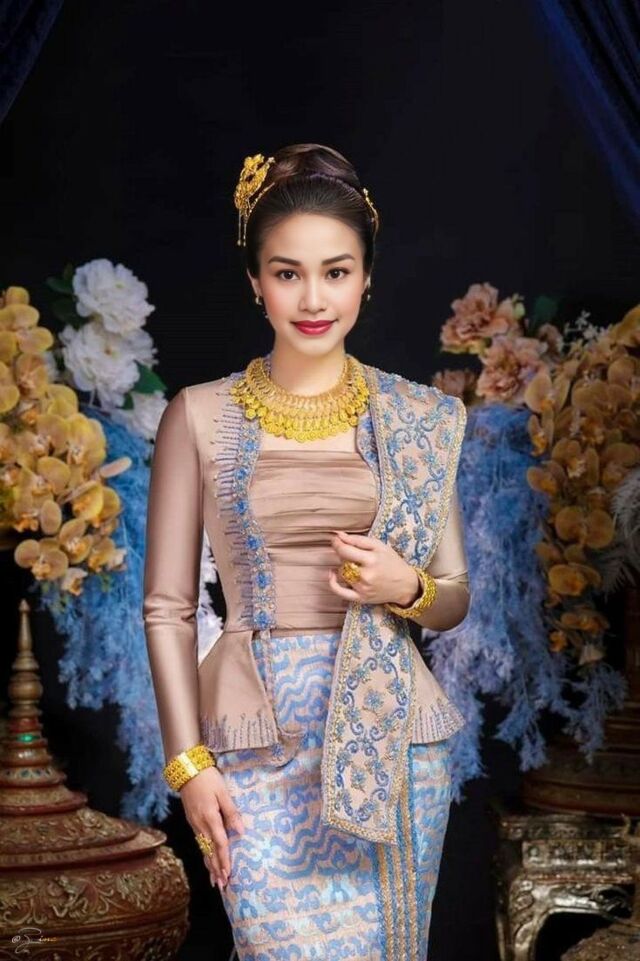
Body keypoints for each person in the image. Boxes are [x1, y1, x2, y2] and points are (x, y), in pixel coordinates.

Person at [142, 142, 471, 960]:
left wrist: (407, 586)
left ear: (367, 278)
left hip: (391, 736)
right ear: (256, 281)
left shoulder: (418, 417)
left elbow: (454, 596)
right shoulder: (198, 415)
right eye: (288, 273)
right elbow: (167, 608)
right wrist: (188, 765)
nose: (314, 298)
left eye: (337, 271)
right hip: (251, 739)